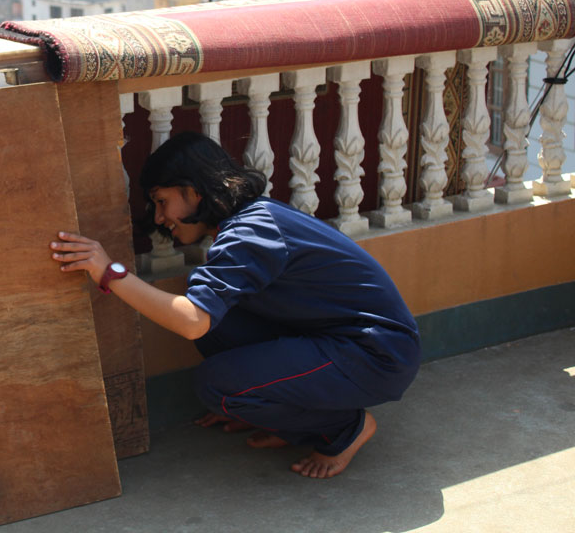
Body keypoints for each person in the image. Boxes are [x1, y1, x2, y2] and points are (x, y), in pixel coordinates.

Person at [50, 131, 420, 479]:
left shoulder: (251, 231)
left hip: (376, 355)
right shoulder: (249, 222)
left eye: (162, 202)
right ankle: (286, 415)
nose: (160, 218)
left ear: (193, 192)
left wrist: (108, 272)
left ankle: (345, 429)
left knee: (218, 384)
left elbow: (191, 321)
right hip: (339, 342)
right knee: (219, 328)